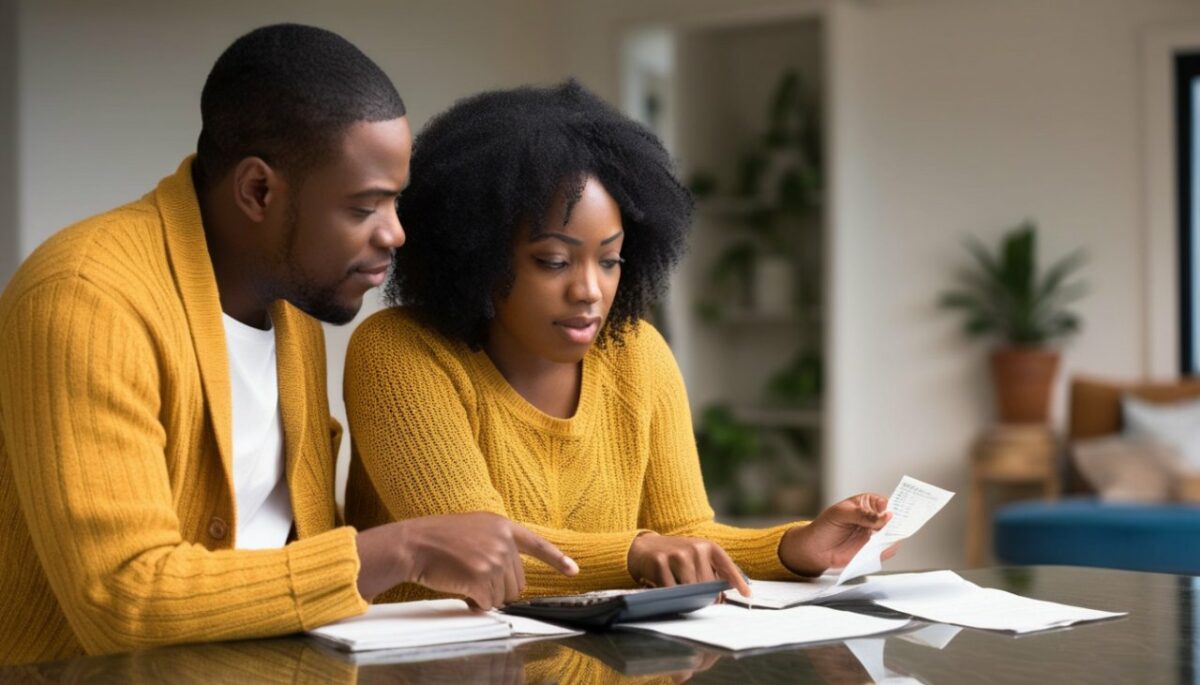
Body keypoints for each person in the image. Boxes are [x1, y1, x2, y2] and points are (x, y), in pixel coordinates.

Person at [0, 24, 575, 666]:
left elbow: (296, 543)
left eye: (395, 202)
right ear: (258, 191)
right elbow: (124, 599)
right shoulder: (86, 299)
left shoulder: (294, 303)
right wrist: (399, 550)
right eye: (364, 208)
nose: (396, 234)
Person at [344, 81, 893, 603]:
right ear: (478, 257)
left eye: (609, 261)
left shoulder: (639, 354)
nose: (589, 291)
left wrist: (795, 548)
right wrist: (633, 552)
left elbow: (684, 533)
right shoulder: (399, 353)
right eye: (554, 261)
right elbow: (477, 551)